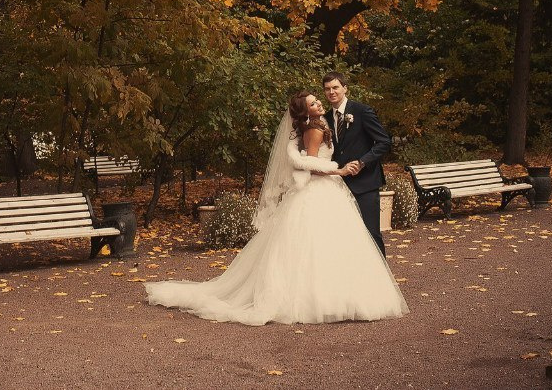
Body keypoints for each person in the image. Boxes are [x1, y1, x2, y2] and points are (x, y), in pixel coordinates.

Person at [143, 92, 408, 325]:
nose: (319, 102)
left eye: (318, 99)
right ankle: (324, 299)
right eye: (314, 102)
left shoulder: (318, 124)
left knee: (327, 245)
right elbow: (310, 164)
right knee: (319, 245)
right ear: (306, 111)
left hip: (327, 191)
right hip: (319, 192)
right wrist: (337, 170)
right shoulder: (314, 130)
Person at [322, 71, 393, 255]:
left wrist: (362, 162)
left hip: (366, 182)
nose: (332, 92)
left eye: (336, 87)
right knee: (346, 235)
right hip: (339, 185)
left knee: (371, 233)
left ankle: (381, 279)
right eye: (328, 89)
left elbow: (384, 142)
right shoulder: (326, 119)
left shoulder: (362, 111)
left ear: (345, 88)